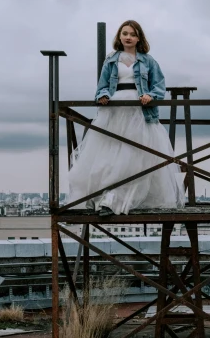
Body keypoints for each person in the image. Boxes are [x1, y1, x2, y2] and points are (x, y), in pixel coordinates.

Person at [68, 20, 184, 215]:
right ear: (119, 37)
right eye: (125, 33)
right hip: (115, 109)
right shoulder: (111, 60)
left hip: (139, 110)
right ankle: (104, 197)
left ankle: (118, 200)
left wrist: (151, 96)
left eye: (132, 34)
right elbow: (102, 85)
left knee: (135, 154)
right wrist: (103, 96)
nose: (128, 37)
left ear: (139, 38)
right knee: (109, 152)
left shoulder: (148, 61)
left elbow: (159, 85)